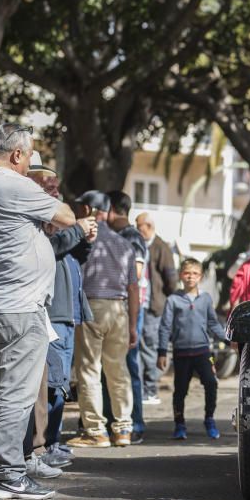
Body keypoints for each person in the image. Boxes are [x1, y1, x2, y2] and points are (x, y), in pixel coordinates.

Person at [0, 123, 76, 500]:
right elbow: (67, 217)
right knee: (16, 394)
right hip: (19, 308)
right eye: (28, 156)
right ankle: (9, 474)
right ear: (16, 154)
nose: (29, 164)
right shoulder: (16, 185)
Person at [27, 157, 96, 470]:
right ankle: (42, 447)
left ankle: (48, 443)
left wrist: (85, 239)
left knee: (57, 386)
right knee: (49, 386)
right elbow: (52, 248)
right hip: (50, 315)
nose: (55, 192)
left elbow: (72, 254)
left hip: (66, 316)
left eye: (56, 186)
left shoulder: (55, 217)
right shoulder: (35, 217)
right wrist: (76, 232)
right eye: (49, 186)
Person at [67, 191, 139, 449]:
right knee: (118, 371)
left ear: (87, 209)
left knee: (90, 371)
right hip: (119, 310)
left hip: (91, 306)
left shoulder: (84, 240)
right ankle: (123, 429)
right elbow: (133, 288)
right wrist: (132, 324)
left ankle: (96, 431)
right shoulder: (125, 245)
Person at [158, 259, 228, 440]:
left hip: (203, 352)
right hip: (181, 353)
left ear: (201, 277)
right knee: (180, 390)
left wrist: (228, 340)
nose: (191, 277)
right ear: (181, 275)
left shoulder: (205, 299)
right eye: (187, 273)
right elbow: (165, 327)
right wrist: (161, 352)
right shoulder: (173, 300)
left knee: (211, 383)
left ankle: (209, 419)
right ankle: (179, 423)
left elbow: (213, 323)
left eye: (195, 273)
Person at [107, 190, 148, 443]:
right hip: (120, 307)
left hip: (128, 308)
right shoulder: (118, 234)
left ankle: (136, 425)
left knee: (130, 366)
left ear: (112, 209)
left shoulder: (131, 236)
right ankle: (118, 423)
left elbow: (137, 273)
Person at [136, 212, 177, 405]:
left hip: (154, 306)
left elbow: (171, 279)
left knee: (150, 346)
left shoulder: (161, 248)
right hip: (138, 305)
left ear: (149, 227)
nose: (137, 229)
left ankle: (150, 389)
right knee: (138, 346)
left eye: (139, 225)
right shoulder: (138, 245)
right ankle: (141, 388)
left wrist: (166, 301)